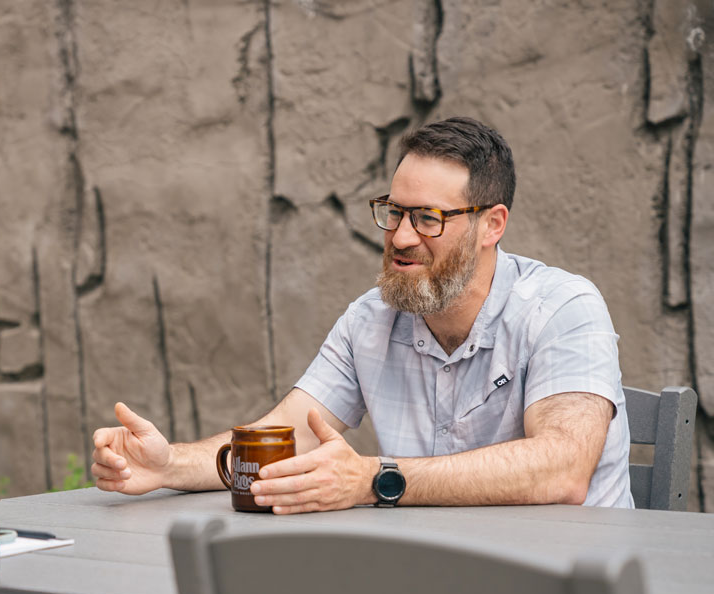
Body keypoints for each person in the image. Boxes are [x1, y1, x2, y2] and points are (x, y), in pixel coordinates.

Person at [92, 116, 633, 512]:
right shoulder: (371, 318)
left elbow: (563, 469)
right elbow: (286, 434)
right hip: (439, 592)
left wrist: (376, 478)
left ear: (492, 225)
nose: (400, 237)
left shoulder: (563, 307)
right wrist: (170, 466)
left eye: (428, 218)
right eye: (394, 212)